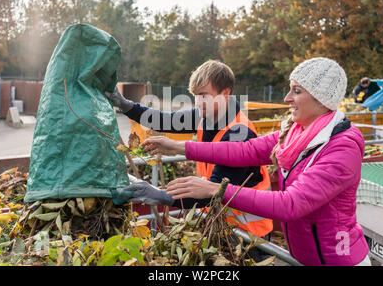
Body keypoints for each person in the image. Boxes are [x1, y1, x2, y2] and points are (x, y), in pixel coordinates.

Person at [142, 57, 371, 266]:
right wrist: (178, 146)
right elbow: (246, 150)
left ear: (321, 99)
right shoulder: (296, 132)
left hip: (340, 260)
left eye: (297, 91)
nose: (287, 98)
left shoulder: (342, 146)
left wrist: (215, 190)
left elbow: (290, 204)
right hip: (306, 257)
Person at [107, 60, 273, 259]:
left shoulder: (239, 133)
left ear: (225, 93)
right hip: (218, 223)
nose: (198, 102)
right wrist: (126, 105)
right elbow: (164, 119)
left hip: (249, 236)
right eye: (195, 95)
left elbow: (214, 190)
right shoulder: (206, 116)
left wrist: (161, 195)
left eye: (204, 95)